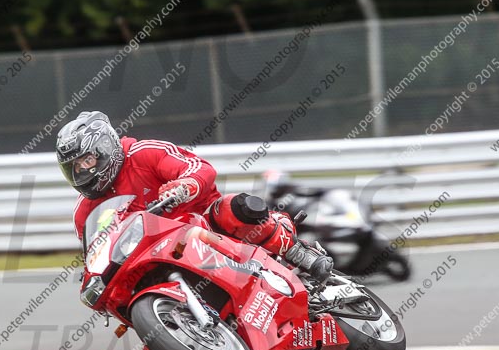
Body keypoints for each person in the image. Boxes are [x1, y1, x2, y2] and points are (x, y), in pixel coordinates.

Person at [56, 111, 333, 283]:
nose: (83, 171)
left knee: (235, 208)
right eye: (75, 168)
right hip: (158, 256)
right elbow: (96, 254)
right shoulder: (84, 213)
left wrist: (184, 185)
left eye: (87, 160)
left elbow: (200, 168)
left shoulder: (144, 153)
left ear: (105, 147)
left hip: (204, 223)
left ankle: (296, 251)